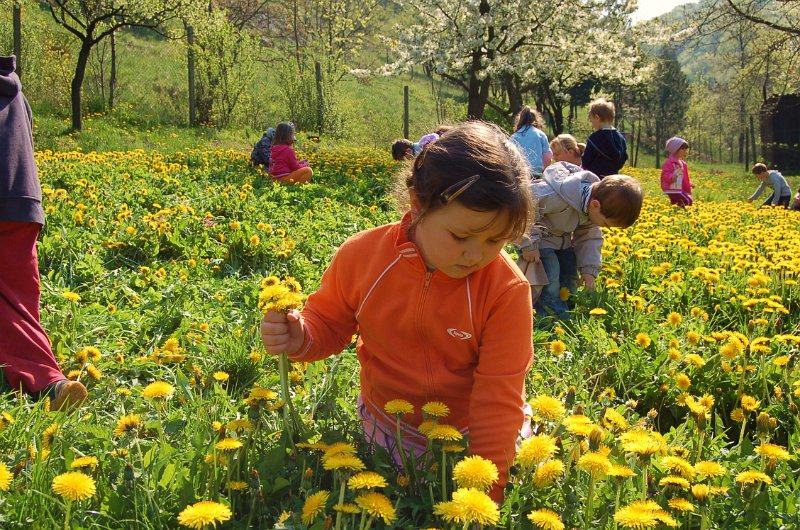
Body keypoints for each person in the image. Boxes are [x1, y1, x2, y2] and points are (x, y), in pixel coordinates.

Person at [261, 121, 534, 501]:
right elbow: (328, 322)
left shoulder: (506, 289)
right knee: (404, 488)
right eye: (461, 236)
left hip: (470, 430)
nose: (476, 254)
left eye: (495, 240)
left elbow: (498, 395)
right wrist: (300, 335)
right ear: (418, 204)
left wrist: (487, 490)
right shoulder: (363, 257)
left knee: (512, 459)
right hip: (389, 424)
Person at [0, 55, 87, 411]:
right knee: (19, 296)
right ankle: (54, 384)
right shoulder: (14, 91)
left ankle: (42, 381)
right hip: (23, 203)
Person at [517, 169, 643, 321]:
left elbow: (589, 239)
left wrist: (589, 271)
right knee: (551, 272)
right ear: (595, 205)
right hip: (538, 238)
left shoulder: (592, 208)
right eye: (605, 224)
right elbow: (524, 207)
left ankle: (568, 304)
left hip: (561, 240)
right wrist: (529, 243)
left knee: (570, 269)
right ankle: (549, 314)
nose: (604, 227)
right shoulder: (555, 195)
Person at [582, 98, 628, 178]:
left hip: (596, 178)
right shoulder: (620, 137)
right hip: (613, 178)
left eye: (591, 119)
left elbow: (585, 162)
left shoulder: (594, 138)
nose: (591, 123)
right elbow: (624, 158)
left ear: (597, 117)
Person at [510, 106, 552, 177]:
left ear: (520, 120)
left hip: (520, 176)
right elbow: (547, 157)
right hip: (537, 175)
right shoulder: (540, 134)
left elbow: (510, 156)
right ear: (536, 120)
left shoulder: (514, 136)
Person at [660, 137, 693, 208]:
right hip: (672, 189)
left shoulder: (683, 163)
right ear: (675, 150)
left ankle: (675, 211)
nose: (685, 151)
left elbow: (684, 177)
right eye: (683, 149)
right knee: (687, 201)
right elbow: (665, 174)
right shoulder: (669, 162)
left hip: (679, 189)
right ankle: (681, 212)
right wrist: (672, 177)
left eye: (686, 149)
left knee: (685, 201)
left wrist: (689, 183)